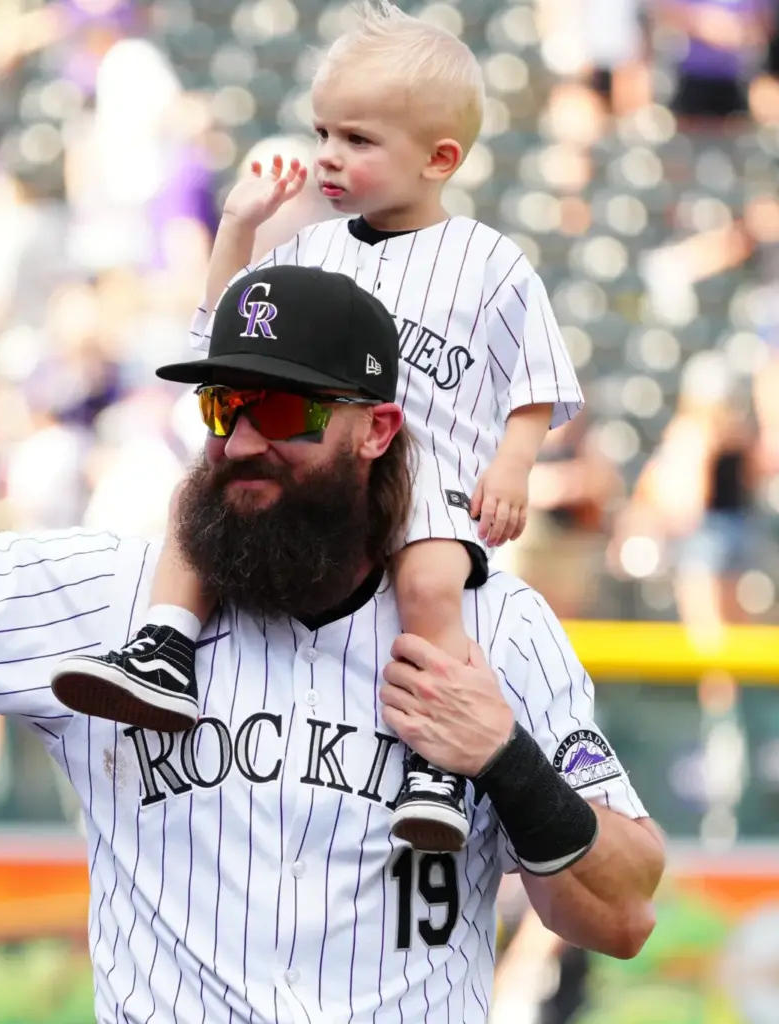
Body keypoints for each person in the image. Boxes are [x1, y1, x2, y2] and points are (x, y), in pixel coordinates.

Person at [0, 204, 661, 1022]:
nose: (244, 441)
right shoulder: (113, 597)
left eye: (282, 407)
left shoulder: (490, 628)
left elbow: (620, 912)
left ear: (378, 430)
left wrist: (506, 759)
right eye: (225, 403)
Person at [47, 0, 585, 855]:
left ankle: (435, 765)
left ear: (441, 158)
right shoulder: (315, 251)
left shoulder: (490, 261)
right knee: (212, 496)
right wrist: (238, 227)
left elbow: (536, 379)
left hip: (429, 481)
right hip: (318, 476)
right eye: (324, 133)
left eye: (360, 141)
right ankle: (162, 649)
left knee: (434, 593)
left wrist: (514, 466)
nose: (330, 157)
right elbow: (225, 330)